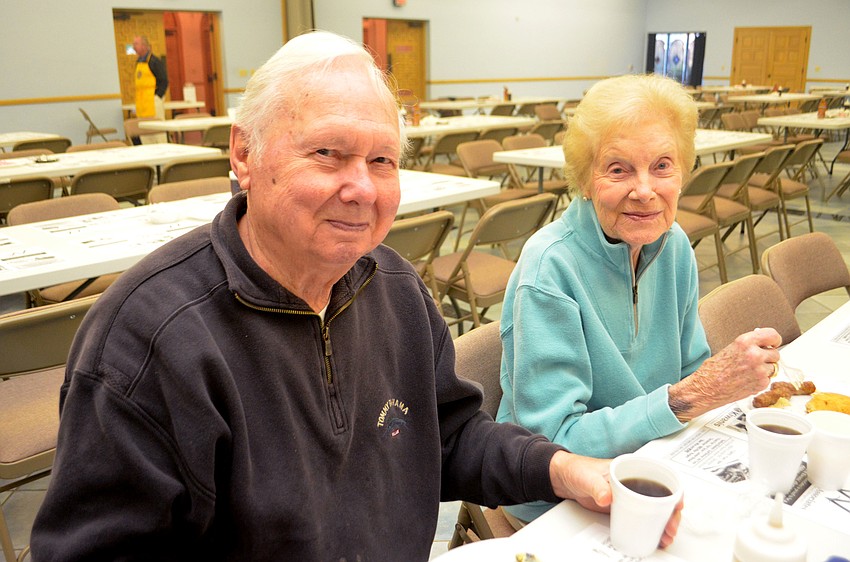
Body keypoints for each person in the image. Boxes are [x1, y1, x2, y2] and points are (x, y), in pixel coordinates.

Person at [30, 32, 681, 560]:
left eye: (381, 161)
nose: (362, 189)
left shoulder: (395, 289)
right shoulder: (147, 342)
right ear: (244, 153)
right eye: (328, 153)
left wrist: (562, 469)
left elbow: (449, 435)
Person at [496, 74, 782, 524]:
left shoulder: (674, 245)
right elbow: (551, 446)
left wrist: (704, 391)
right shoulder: (549, 269)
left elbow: (691, 367)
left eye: (663, 166)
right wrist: (686, 399)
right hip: (560, 500)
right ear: (585, 180)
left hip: (657, 458)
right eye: (618, 169)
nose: (645, 191)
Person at [132, 35, 168, 120]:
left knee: (156, 125)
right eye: (133, 44)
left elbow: (164, 80)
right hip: (141, 102)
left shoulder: (154, 61)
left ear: (144, 46)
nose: (134, 47)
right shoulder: (138, 62)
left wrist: (157, 96)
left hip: (153, 101)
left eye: (136, 44)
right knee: (142, 126)